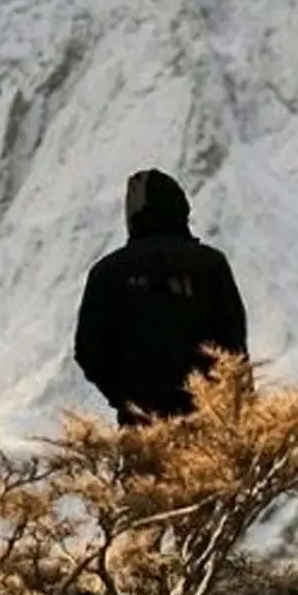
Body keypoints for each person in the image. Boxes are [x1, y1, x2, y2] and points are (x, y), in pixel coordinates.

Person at [73, 168, 249, 428]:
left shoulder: (108, 272)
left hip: (142, 425)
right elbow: (234, 347)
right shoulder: (210, 264)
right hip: (209, 421)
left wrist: (126, 397)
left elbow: (89, 351)